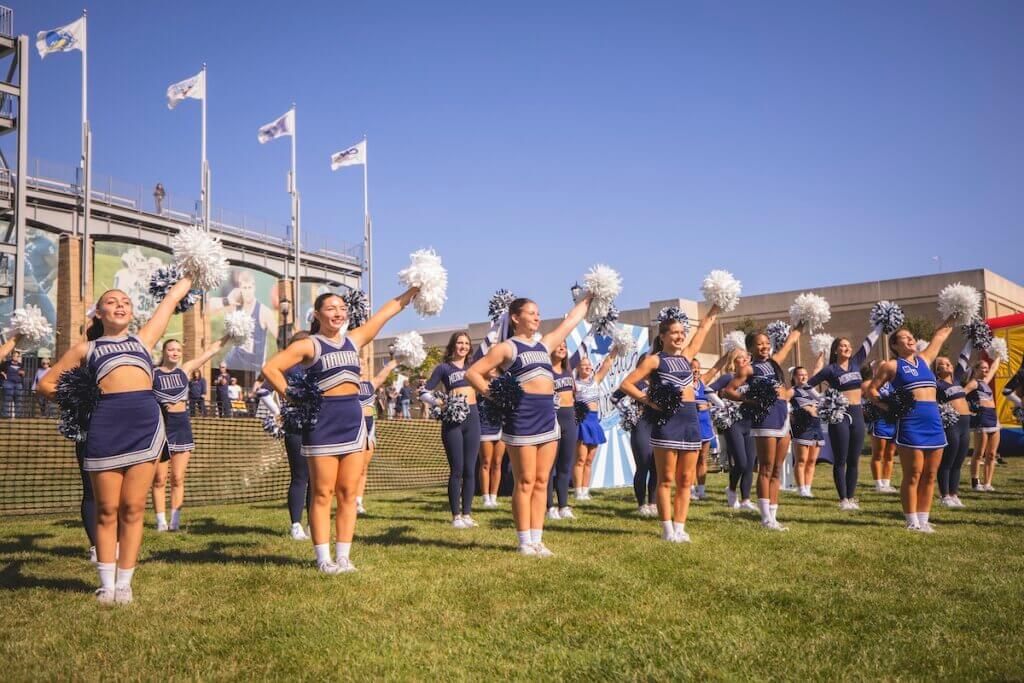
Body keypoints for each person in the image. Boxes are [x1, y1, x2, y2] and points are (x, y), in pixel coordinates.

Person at [39, 279, 197, 604]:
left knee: (134, 507)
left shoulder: (144, 340)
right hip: (104, 428)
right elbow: (46, 384)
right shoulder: (87, 349)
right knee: (107, 510)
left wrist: (193, 271)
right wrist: (80, 404)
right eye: (112, 301)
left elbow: (169, 301)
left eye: (125, 300)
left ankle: (124, 583)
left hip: (145, 427)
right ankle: (105, 584)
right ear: (99, 312)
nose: (120, 305)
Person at [262, 287, 419, 573]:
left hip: (352, 421)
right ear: (318, 314)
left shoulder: (354, 340)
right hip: (321, 423)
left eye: (342, 308)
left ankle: (344, 556)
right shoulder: (309, 345)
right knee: (323, 493)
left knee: (348, 492)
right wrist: (294, 397)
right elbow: (270, 368)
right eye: (331, 308)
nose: (338, 313)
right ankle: (323, 559)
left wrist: (413, 290)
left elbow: (386, 312)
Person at [467, 293, 592, 557]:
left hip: (548, 416)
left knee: (541, 480)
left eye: (538, 312)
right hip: (521, 417)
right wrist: (496, 395)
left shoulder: (544, 345)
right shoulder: (507, 348)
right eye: (531, 312)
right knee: (524, 480)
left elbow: (571, 321)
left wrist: (592, 295)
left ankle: (538, 539)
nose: (537, 316)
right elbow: (473, 373)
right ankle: (524, 540)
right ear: (515, 317)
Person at [620, 304, 723, 542]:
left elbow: (704, 329)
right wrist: (650, 402)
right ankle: (667, 529)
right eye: (674, 333)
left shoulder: (687, 357)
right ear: (663, 336)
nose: (680, 336)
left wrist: (716, 306)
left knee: (686, 479)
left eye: (682, 333)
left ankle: (680, 527)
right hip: (667, 421)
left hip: (690, 419)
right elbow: (626, 384)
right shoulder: (654, 361)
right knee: (666, 478)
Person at [868, 317, 955, 532]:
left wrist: (955, 313)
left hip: (934, 423)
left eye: (911, 337)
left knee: (931, 475)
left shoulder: (925, 359)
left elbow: (940, 335)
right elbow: (871, 391)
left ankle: (924, 520)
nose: (910, 340)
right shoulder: (892, 365)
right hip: (910, 423)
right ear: (895, 345)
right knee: (914, 473)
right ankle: (911, 521)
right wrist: (888, 407)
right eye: (904, 338)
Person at [721, 325, 803, 531]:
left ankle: (773, 516)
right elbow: (728, 391)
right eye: (759, 344)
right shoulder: (749, 368)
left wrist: (801, 323)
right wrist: (750, 400)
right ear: (750, 348)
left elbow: (790, 342)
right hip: (765, 419)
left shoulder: (775, 363)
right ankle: (765, 518)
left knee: (777, 469)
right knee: (765, 468)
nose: (765, 347)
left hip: (783, 416)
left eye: (767, 343)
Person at [151, 335, 232, 532]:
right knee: (159, 479)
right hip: (161, 428)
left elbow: (210, 351)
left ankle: (175, 521)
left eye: (178, 350)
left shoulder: (185, 370)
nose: (175, 353)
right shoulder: (153, 373)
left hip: (181, 427)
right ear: (164, 352)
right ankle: (161, 521)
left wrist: (230, 334)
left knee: (178, 478)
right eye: (171, 349)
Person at [809, 324, 882, 510]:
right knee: (840, 459)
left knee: (853, 459)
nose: (847, 348)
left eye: (848, 345)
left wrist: (880, 324)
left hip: (857, 414)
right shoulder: (830, 369)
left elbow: (869, 342)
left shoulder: (856, 362)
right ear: (835, 350)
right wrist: (823, 400)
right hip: (839, 415)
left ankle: (851, 498)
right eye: (842, 346)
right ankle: (843, 499)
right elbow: (808, 385)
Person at [420, 332, 482, 528]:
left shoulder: (474, 367)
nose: (462, 346)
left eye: (466, 343)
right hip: (453, 419)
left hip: (473, 417)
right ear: (453, 346)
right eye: (459, 343)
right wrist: (438, 402)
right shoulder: (443, 368)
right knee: (457, 469)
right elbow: (423, 392)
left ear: (469, 347)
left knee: (471, 469)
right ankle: (456, 516)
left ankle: (467, 514)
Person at [933, 341, 992, 507]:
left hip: (965, 425)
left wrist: (970, 339)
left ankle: (954, 495)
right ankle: (944, 496)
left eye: (948, 362)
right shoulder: (937, 384)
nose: (948, 364)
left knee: (959, 462)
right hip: (951, 423)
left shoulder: (957, 379)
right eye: (942, 364)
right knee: (948, 461)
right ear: (937, 370)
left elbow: (964, 357)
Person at [710, 349, 756, 511]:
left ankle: (746, 500)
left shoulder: (752, 378)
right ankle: (731, 489)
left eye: (746, 357)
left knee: (750, 463)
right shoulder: (728, 377)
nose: (744, 360)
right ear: (733, 361)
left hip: (750, 422)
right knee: (741, 462)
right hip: (733, 423)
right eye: (740, 358)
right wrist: (723, 406)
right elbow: (708, 390)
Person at [612, 354, 657, 516]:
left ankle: (653, 503)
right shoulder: (635, 382)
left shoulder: (658, 382)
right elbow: (614, 397)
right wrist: (630, 414)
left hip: (657, 427)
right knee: (643, 465)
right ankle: (641, 504)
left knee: (656, 466)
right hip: (641, 426)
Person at [572, 348, 618, 503]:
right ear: (577, 367)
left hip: (594, 421)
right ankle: (578, 491)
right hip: (582, 421)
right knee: (580, 458)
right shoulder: (574, 384)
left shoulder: (595, 380)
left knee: (590, 460)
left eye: (589, 365)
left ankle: (585, 490)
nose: (587, 367)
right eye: (583, 365)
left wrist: (617, 346)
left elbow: (607, 363)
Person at [208, 271, 277, 375]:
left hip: (254, 368)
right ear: (240, 288)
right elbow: (208, 306)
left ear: (254, 288)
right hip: (233, 362)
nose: (248, 291)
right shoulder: (235, 305)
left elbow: (280, 339)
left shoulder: (263, 312)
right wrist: (227, 300)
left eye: (250, 288)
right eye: (245, 288)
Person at [355, 357, 398, 515]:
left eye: (363, 364)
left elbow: (382, 375)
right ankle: (346, 498)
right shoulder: (346, 386)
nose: (360, 366)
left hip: (370, 429)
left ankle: (358, 501)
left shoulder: (369, 385)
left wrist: (394, 362)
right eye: (357, 363)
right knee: (351, 468)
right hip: (353, 429)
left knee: (364, 468)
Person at [691, 355, 730, 501]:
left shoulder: (703, 383)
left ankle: (701, 490)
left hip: (705, 425)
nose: (695, 370)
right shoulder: (683, 384)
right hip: (690, 427)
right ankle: (690, 489)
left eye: (697, 368)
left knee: (702, 458)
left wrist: (729, 352)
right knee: (691, 460)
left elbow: (715, 368)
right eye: (692, 367)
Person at [546, 341, 577, 520]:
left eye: (564, 345)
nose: (562, 347)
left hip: (569, 419)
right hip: (553, 418)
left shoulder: (568, 371)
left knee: (565, 465)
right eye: (558, 345)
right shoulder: (547, 371)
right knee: (550, 466)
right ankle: (550, 506)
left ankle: (564, 505)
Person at [966, 354, 1002, 492]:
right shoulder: (974, 383)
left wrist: (999, 354)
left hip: (993, 418)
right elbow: (961, 394)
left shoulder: (984, 382)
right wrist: (969, 408)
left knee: (992, 454)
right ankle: (975, 482)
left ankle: (988, 483)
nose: (986, 371)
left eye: (987, 368)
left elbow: (994, 368)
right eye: (983, 368)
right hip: (981, 418)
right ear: (976, 370)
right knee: (979, 452)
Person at [789, 366, 824, 498]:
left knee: (812, 460)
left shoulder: (812, 391)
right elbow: (783, 405)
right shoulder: (792, 391)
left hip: (816, 427)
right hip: (802, 428)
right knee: (801, 459)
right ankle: (801, 488)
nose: (803, 377)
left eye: (805, 374)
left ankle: (808, 488)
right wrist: (791, 414)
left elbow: (821, 403)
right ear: (794, 377)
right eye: (800, 375)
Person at [865, 364, 898, 493]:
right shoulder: (871, 385)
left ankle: (886, 483)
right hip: (879, 421)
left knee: (890, 455)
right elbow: (866, 402)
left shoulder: (893, 384)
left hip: (893, 422)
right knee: (878, 454)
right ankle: (878, 484)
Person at [478, 366, 506, 509]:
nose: (493, 370)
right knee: (486, 462)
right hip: (485, 426)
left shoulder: (505, 383)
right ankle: (485, 497)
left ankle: (494, 497)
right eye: (491, 368)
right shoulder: (479, 383)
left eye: (496, 368)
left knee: (497, 462)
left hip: (501, 426)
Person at [1, 349, 25, 418]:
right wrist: (3, 374)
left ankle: (18, 416)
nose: (15, 357)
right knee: (7, 399)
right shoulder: (6, 363)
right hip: (8, 383)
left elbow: (23, 374)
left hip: (18, 384)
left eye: (17, 356)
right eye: (14, 356)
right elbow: (1, 370)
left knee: (19, 400)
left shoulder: (20, 365)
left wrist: (22, 373)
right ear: (12, 356)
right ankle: (5, 415)